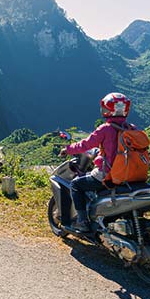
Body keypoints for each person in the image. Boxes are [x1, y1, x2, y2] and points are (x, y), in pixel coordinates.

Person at [59, 92, 134, 233]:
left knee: (75, 184)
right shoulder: (131, 128)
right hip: (129, 175)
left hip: (107, 174)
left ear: (107, 109)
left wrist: (67, 149)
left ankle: (82, 221)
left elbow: (85, 145)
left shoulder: (105, 129)